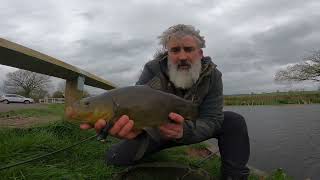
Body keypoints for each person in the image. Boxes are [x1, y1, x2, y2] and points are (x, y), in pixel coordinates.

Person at [80, 24, 250, 180]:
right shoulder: (152, 69)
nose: (182, 56)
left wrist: (184, 131)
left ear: (200, 53)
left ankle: (234, 176)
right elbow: (134, 106)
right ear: (168, 54)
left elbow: (213, 119)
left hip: (192, 127)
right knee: (114, 159)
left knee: (233, 121)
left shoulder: (213, 75)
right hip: (156, 130)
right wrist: (129, 128)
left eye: (189, 49)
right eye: (175, 50)